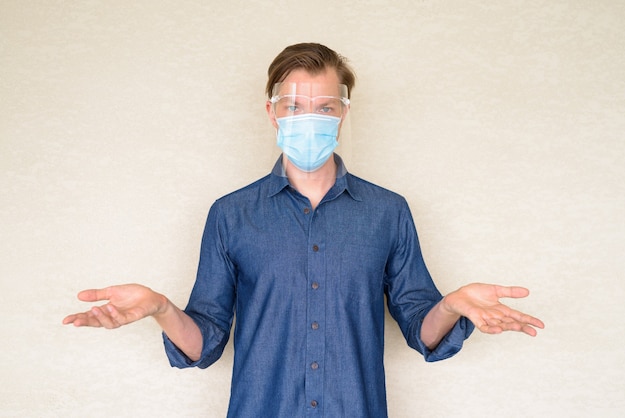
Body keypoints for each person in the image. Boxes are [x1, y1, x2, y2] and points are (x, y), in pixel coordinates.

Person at [63, 42, 544, 417]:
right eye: (294, 106)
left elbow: (422, 329)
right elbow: (204, 342)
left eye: (325, 106)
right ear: (271, 112)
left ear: (343, 113)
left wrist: (453, 303)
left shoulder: (388, 212)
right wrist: (160, 308)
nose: (309, 118)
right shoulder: (230, 215)